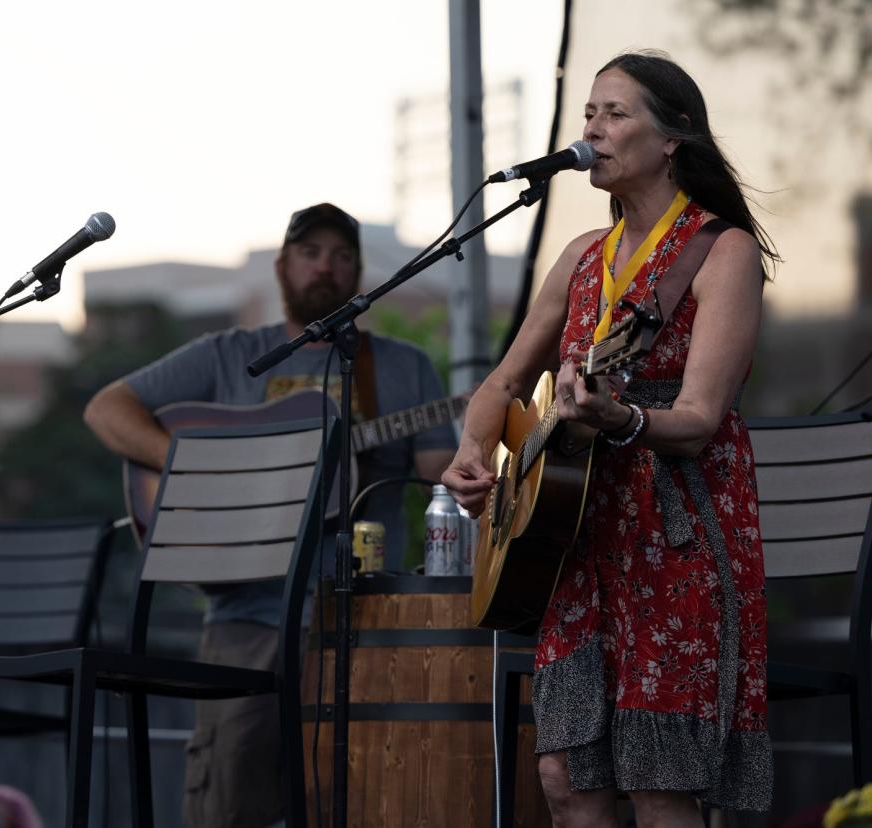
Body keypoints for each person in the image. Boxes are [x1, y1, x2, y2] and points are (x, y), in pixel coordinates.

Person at [443, 51, 775, 826]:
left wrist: (621, 419)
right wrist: (471, 453)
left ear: (671, 140)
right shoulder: (580, 257)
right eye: (588, 113)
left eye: (614, 113)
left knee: (659, 786)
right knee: (565, 780)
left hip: (677, 534)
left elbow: (695, 422)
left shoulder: (719, 250)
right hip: (575, 541)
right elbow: (499, 386)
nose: (591, 129)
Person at [84, 202, 457, 827]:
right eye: (311, 254)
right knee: (229, 802)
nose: (326, 269)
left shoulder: (399, 366)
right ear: (284, 267)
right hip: (244, 617)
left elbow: (441, 470)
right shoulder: (229, 354)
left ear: (360, 273)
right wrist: (196, 466)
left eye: (342, 257)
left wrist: (482, 435)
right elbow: (106, 409)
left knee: (366, 798)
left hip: (365, 619)